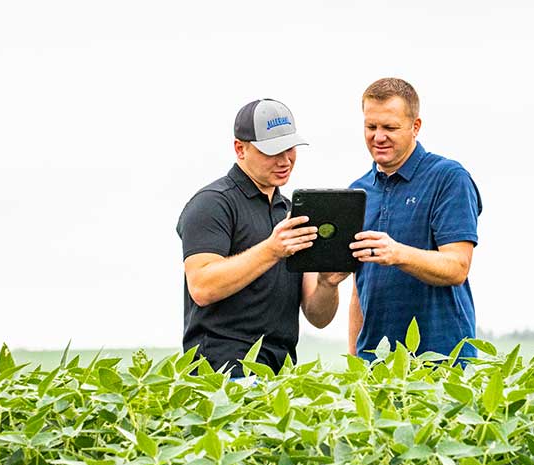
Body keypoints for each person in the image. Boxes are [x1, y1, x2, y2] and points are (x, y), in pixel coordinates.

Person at [177, 98, 348, 377]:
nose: (285, 160)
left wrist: (327, 283)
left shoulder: (291, 212)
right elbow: (202, 287)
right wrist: (271, 249)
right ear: (240, 149)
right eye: (272, 151)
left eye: (290, 148)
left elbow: (318, 317)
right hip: (220, 372)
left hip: (279, 372)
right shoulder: (212, 203)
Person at [347, 78, 482, 362]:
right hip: (377, 368)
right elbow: (360, 291)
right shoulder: (358, 192)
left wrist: (397, 253)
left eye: (390, 128)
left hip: (443, 363)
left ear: (415, 127)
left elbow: (457, 267)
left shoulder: (448, 178)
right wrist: (355, 362)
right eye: (371, 127)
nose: (378, 137)